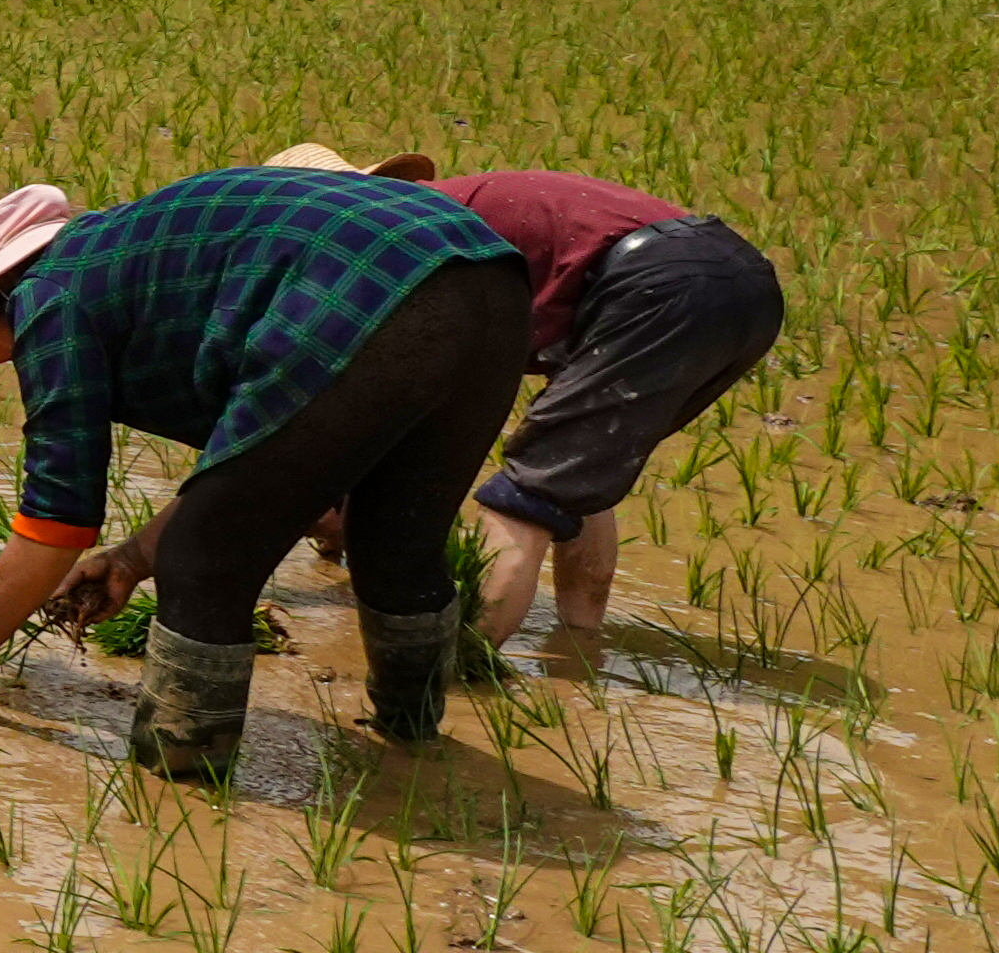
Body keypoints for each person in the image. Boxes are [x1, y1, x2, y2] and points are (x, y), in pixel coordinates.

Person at [0, 162, 529, 777]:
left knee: (203, 566)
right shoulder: (135, 259)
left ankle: (184, 778)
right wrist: (129, 560)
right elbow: (254, 465)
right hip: (489, 275)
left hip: (362, 285)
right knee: (396, 539)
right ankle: (413, 746)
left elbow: (59, 515)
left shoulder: (46, 295)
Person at [273, 143, 790, 649]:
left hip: (660, 285)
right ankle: (579, 643)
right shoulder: (460, 213)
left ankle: (457, 671)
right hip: (745, 284)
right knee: (575, 473)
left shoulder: (407, 236)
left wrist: (333, 495)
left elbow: (387, 414)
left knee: (523, 497)